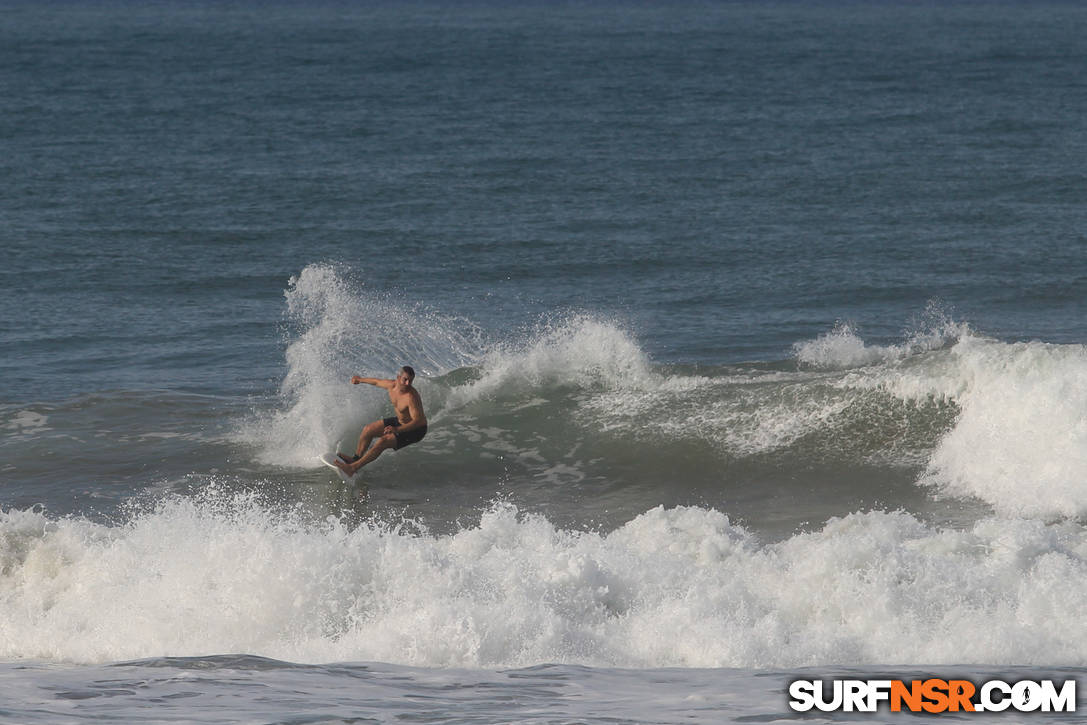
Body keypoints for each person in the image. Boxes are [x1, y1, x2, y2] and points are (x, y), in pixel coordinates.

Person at [335, 366, 428, 476]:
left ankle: (353, 468)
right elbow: (376, 382)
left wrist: (397, 429)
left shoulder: (411, 397)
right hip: (401, 422)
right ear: (398, 378)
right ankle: (355, 459)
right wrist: (360, 380)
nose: (408, 384)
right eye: (405, 379)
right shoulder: (391, 385)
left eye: (410, 381)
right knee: (368, 430)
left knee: (383, 441)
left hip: (416, 430)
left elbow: (419, 421)